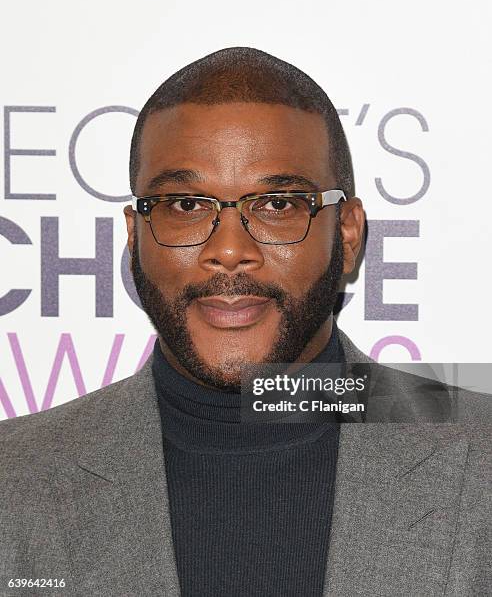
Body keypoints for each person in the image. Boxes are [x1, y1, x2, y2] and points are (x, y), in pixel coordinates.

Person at [1, 47, 490, 597]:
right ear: (135, 236)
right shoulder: (13, 479)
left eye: (278, 203)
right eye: (185, 205)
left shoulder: (481, 458)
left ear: (347, 236)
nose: (229, 250)